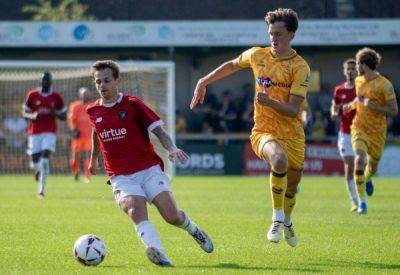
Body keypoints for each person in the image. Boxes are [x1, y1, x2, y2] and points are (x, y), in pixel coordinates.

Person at [190, 8, 310, 247]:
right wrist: (204, 80)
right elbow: (231, 65)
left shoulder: (300, 67)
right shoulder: (258, 55)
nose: (273, 38)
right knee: (278, 160)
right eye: (270, 33)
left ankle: (287, 220)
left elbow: (293, 110)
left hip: (293, 134)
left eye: (278, 33)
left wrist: (270, 102)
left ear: (291, 36)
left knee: (293, 187)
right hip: (263, 130)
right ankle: (276, 220)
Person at [87, 60, 213, 267]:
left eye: (106, 80)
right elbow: (96, 132)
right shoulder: (93, 111)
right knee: (134, 209)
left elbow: (159, 131)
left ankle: (194, 230)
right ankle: (159, 254)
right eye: (98, 81)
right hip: (120, 175)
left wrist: (171, 148)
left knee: (172, 216)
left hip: (148, 169)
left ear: (117, 80)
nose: (102, 85)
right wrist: (93, 158)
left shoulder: (132, 104)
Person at [343, 48, 398, 214]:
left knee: (372, 168)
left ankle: (368, 179)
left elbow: (393, 110)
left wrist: (372, 105)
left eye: (358, 63)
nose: (356, 67)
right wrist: (351, 105)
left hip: (378, 132)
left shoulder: (385, 85)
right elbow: (359, 99)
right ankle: (362, 202)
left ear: (364, 64)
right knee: (359, 159)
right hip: (359, 127)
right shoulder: (359, 81)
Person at [22, 72, 67, 199]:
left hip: (49, 132)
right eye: (43, 80)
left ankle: (41, 190)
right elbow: (24, 113)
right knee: (35, 159)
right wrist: (33, 116)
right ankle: (37, 171)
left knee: (45, 156)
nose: (45, 82)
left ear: (51, 82)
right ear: (40, 81)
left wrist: (54, 113)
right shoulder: (32, 95)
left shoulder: (56, 97)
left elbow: (64, 116)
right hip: (34, 132)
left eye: (47, 80)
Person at [330, 58, 361, 211]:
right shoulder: (339, 90)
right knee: (349, 165)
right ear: (344, 71)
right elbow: (334, 107)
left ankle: (366, 180)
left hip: (362, 133)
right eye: (348, 69)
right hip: (345, 133)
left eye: (353, 69)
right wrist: (333, 113)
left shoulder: (363, 88)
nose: (350, 71)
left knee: (361, 164)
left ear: (358, 70)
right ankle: (355, 202)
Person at [68, 87, 92, 183]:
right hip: (78, 135)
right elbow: (71, 119)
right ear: (79, 95)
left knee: (87, 155)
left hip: (88, 136)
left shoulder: (91, 105)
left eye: (86, 93)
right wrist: (74, 130)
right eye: (83, 93)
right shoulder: (75, 106)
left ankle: (87, 176)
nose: (84, 95)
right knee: (75, 156)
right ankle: (76, 172)